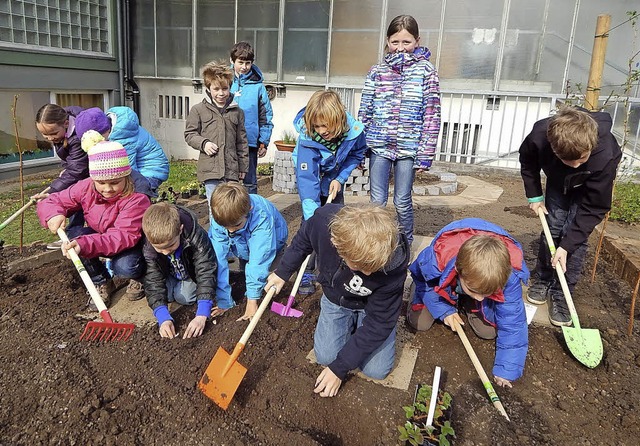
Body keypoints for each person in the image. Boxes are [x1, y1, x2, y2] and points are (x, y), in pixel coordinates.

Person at [265, 204, 410, 398]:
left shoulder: (393, 264)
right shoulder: (322, 223)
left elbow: (379, 322)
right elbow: (301, 242)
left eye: (373, 269)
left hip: (372, 308)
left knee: (376, 370)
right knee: (325, 356)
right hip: (337, 299)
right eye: (360, 267)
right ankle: (351, 327)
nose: (367, 274)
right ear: (338, 247)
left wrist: (339, 369)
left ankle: (361, 326)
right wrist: (282, 272)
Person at [519, 106, 622, 326]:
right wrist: (535, 195)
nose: (575, 165)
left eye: (580, 159)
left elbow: (595, 207)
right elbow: (528, 162)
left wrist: (566, 246)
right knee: (553, 226)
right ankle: (544, 278)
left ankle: (562, 292)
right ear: (554, 149)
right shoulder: (540, 136)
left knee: (572, 235)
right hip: (558, 181)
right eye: (569, 161)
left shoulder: (605, 155)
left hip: (590, 184)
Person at [407, 218, 530, 388]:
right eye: (475, 292)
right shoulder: (436, 260)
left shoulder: (509, 276)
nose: (480, 298)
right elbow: (421, 278)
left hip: (468, 281)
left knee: (487, 332)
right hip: (432, 283)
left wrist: (506, 370)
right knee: (419, 322)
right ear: (458, 271)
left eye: (487, 293)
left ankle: (465, 299)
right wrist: (444, 311)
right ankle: (446, 295)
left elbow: (513, 324)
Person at [358, 14, 441, 246]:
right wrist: (359, 147)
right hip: (379, 145)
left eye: (406, 42)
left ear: (417, 41)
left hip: (409, 147)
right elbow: (365, 110)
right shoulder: (377, 71)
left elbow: (432, 113)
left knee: (402, 200)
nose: (401, 48)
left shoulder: (426, 72)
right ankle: (376, 243)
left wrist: (425, 153)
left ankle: (404, 244)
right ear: (387, 41)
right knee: (377, 201)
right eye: (395, 42)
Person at [36, 139, 151, 306]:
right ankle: (102, 281)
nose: (107, 188)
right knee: (74, 236)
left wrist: (86, 244)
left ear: (126, 177)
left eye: (114, 182)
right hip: (102, 238)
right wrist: (52, 215)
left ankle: (139, 277)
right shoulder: (86, 187)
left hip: (132, 244)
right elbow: (53, 201)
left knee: (125, 267)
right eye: (101, 183)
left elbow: (122, 236)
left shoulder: (137, 199)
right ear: (93, 179)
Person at [292, 90, 367, 295]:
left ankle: (332, 270)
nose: (321, 130)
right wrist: (313, 218)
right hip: (312, 178)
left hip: (333, 181)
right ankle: (305, 271)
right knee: (309, 226)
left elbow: (356, 153)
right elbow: (308, 181)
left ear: (338, 119)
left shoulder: (354, 133)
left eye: (325, 125)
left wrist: (340, 178)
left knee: (336, 225)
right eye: (316, 126)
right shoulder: (308, 138)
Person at [208, 182, 288, 320]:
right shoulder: (221, 216)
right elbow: (219, 261)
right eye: (225, 227)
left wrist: (252, 301)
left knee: (270, 278)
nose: (230, 231)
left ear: (249, 210)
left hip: (273, 243)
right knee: (246, 270)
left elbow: (259, 259)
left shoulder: (261, 216)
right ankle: (249, 287)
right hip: (242, 245)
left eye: (236, 225)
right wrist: (224, 301)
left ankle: (255, 292)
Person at [141, 202, 217, 339]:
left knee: (185, 297)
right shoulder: (149, 247)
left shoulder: (195, 236)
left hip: (189, 274)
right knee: (167, 297)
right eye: (159, 248)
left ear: (180, 230)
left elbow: (205, 270)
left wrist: (202, 315)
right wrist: (163, 318)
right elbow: (152, 280)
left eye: (170, 246)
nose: (164, 252)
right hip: (169, 274)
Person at [185, 61, 249, 207]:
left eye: (225, 89)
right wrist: (204, 143)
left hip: (231, 169)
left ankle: (232, 230)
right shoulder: (198, 110)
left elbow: (242, 141)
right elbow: (189, 134)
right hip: (210, 171)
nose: (221, 93)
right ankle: (215, 231)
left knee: (232, 208)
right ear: (208, 88)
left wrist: (243, 167)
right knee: (214, 209)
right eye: (216, 89)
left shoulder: (237, 112)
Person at [74, 106, 170, 196]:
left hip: (151, 170)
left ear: (105, 131)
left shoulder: (123, 138)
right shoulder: (114, 130)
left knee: (135, 191)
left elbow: (127, 169)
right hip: (141, 167)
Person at [34, 104, 87, 249]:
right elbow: (71, 161)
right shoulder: (64, 130)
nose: (50, 138)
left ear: (66, 123)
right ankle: (73, 235)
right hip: (81, 172)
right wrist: (66, 169)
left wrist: (52, 191)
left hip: (90, 174)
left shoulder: (77, 137)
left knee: (77, 201)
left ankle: (74, 237)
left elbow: (77, 170)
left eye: (53, 133)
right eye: (45, 135)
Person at [229, 41, 274, 194]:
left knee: (249, 183)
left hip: (250, 141)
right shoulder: (225, 83)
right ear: (232, 61)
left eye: (247, 63)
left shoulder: (258, 87)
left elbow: (266, 116)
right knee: (228, 182)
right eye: (240, 62)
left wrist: (264, 141)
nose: (244, 67)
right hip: (228, 140)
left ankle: (251, 213)